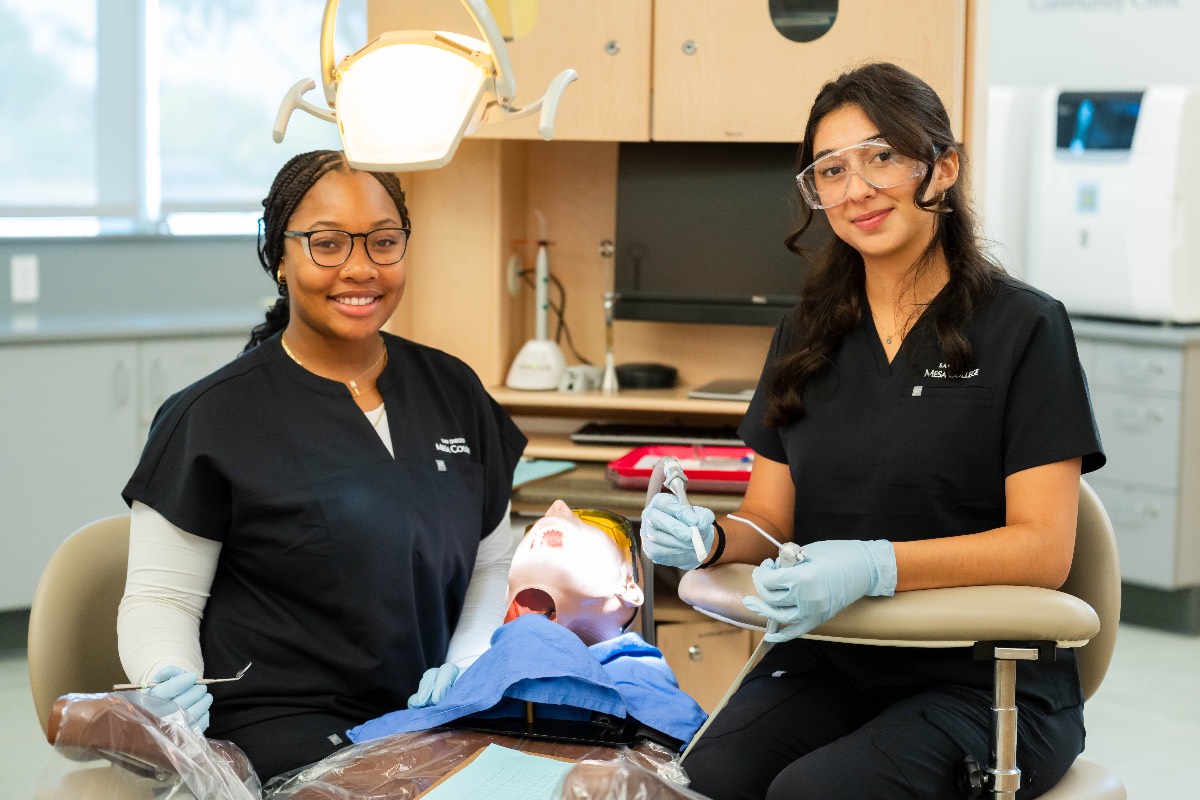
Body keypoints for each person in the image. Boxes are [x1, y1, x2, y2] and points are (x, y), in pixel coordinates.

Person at [640, 62, 1105, 800]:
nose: (856, 189)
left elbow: (1043, 550)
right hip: (835, 660)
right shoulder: (804, 335)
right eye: (831, 170)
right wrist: (711, 538)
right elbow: (769, 518)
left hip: (988, 675)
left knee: (816, 792)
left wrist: (874, 565)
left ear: (942, 168)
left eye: (882, 157)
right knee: (702, 780)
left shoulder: (1025, 327)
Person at [116, 149, 528, 783]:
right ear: (278, 255)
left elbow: (489, 563)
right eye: (327, 244)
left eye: (384, 243)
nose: (360, 268)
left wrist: (469, 668)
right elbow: (161, 598)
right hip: (280, 726)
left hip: (429, 711)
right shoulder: (211, 416)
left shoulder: (454, 391)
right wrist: (165, 678)